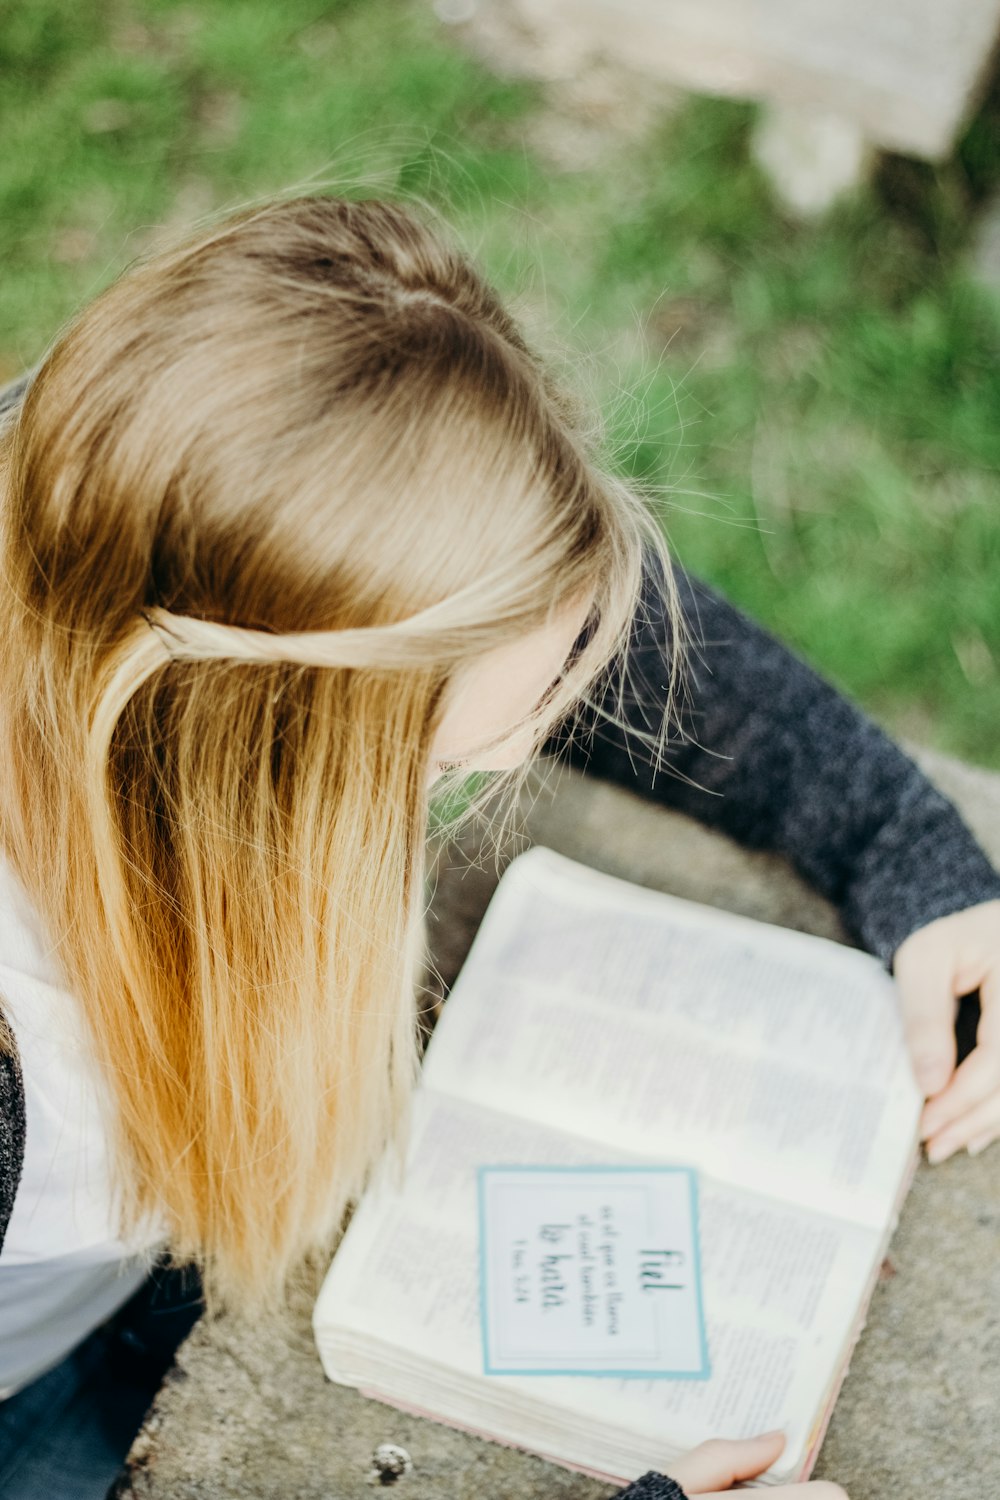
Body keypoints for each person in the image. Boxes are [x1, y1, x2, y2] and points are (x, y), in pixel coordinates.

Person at [0, 195, 997, 1500]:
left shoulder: (104, 483)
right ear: (276, 752)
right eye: (452, 756)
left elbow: (541, 613)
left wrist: (908, 850)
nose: (533, 742)